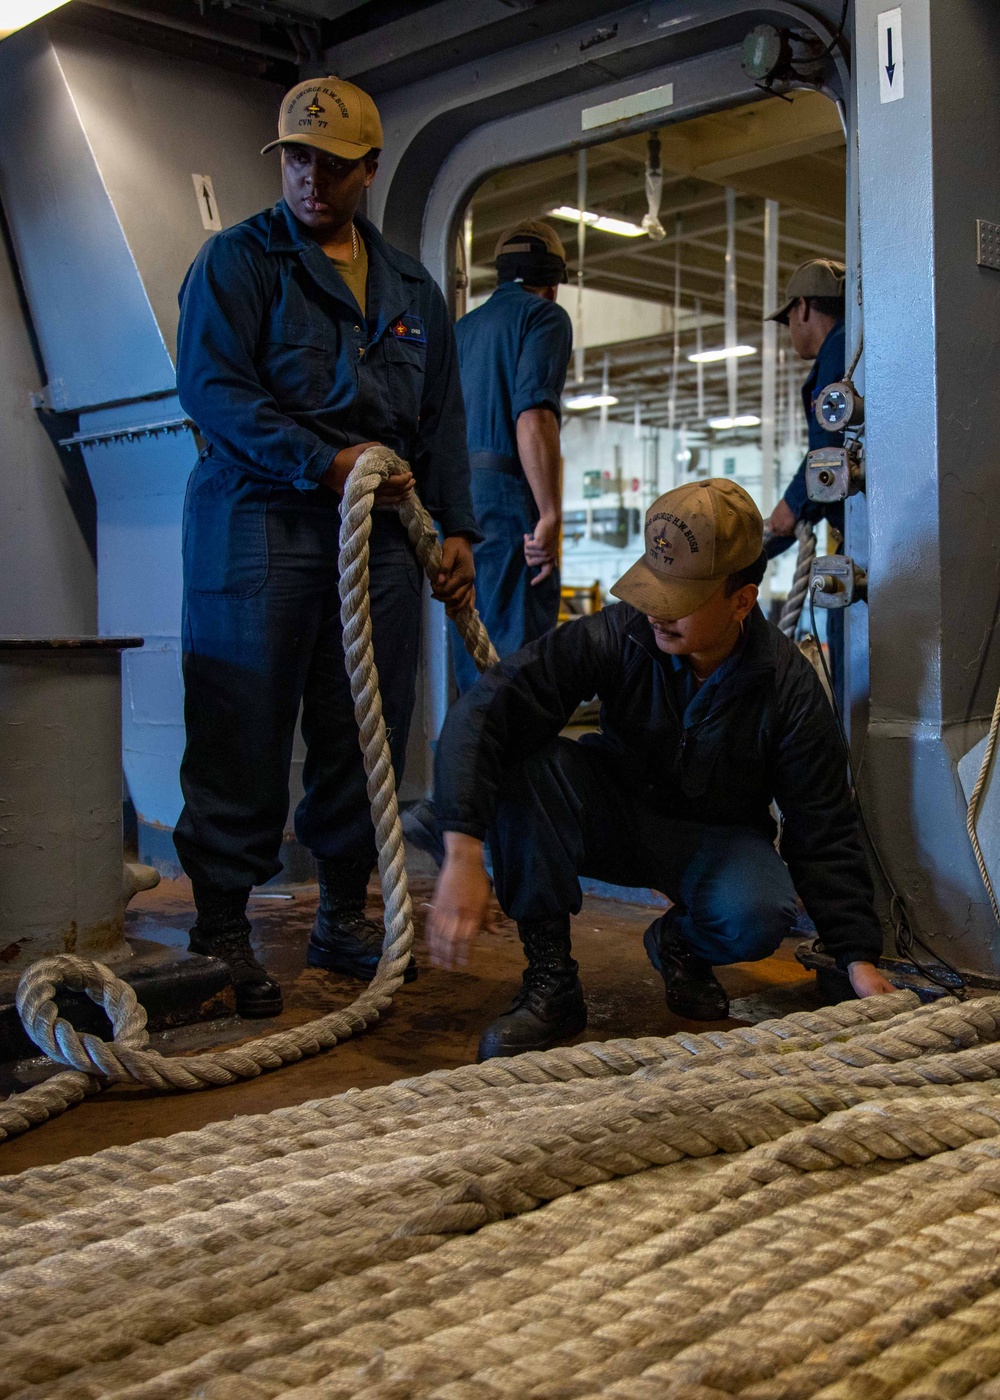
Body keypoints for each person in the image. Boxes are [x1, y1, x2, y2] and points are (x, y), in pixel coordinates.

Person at [173, 76, 480, 1017]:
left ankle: (344, 914)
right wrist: (325, 458)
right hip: (259, 516)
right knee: (243, 723)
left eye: (332, 165)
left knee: (367, 728)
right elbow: (215, 394)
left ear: (369, 171)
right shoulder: (238, 262)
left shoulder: (412, 290)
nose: (310, 179)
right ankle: (222, 926)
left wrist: (455, 531)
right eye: (296, 159)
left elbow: (439, 422)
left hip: (382, 531)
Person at [426, 478, 895, 1060]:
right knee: (531, 767)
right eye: (651, 589)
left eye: (678, 599)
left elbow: (822, 827)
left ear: (741, 602)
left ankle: (680, 944)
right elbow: (488, 709)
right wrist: (463, 850)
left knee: (757, 910)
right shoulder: (619, 633)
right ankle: (551, 982)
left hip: (711, 840)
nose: (654, 611)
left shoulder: (788, 689)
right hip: (612, 813)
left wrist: (857, 958)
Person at [402, 221, 573, 864]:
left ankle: (464, 819)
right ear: (552, 283)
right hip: (508, 507)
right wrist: (549, 513)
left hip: (459, 509)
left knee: (475, 664)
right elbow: (533, 415)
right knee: (517, 671)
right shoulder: (544, 321)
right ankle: (469, 821)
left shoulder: (461, 329)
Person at [763, 257, 847, 696]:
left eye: (788, 320)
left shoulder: (838, 351)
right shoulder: (852, 348)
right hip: (853, 532)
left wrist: (790, 508)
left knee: (855, 676)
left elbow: (829, 454)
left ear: (803, 308)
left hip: (860, 543)